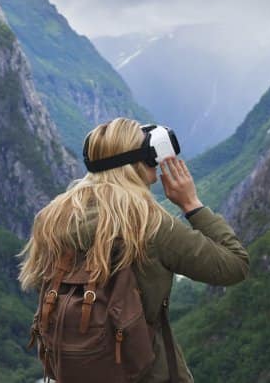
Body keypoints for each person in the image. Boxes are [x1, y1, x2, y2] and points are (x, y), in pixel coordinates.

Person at [18, 117, 250, 382]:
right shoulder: (148, 225)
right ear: (136, 164)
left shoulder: (51, 220)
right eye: (152, 154)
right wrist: (191, 204)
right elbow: (234, 265)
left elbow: (38, 281)